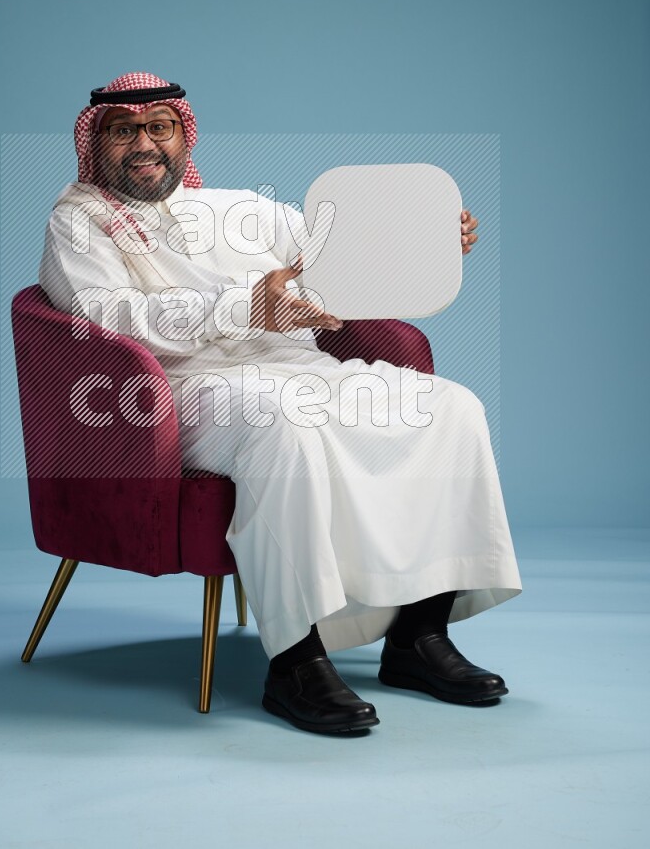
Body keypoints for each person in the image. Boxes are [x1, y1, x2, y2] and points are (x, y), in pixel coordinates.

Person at [38, 70, 522, 735]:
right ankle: (295, 661)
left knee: (449, 408)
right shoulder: (77, 222)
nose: (145, 143)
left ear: (183, 136)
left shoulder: (239, 209)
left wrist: (432, 241)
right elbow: (111, 318)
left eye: (161, 128)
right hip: (178, 389)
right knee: (285, 429)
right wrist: (243, 306)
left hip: (293, 363)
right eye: (126, 131)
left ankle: (418, 636)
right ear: (98, 143)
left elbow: (341, 256)